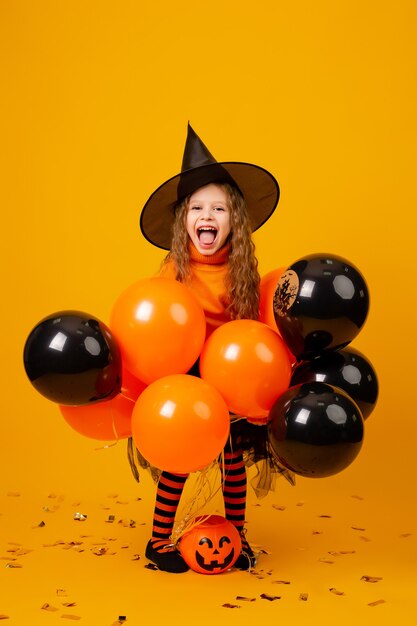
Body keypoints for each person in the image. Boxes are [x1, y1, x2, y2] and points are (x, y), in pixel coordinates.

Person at [134, 123, 289, 573]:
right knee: (179, 461)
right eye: (198, 207)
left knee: (232, 461)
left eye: (219, 208)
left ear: (234, 219)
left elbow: (254, 329)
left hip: (231, 382)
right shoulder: (173, 270)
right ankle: (159, 540)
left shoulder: (243, 270)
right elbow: (158, 328)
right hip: (188, 379)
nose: (208, 215)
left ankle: (236, 536)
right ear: (184, 220)